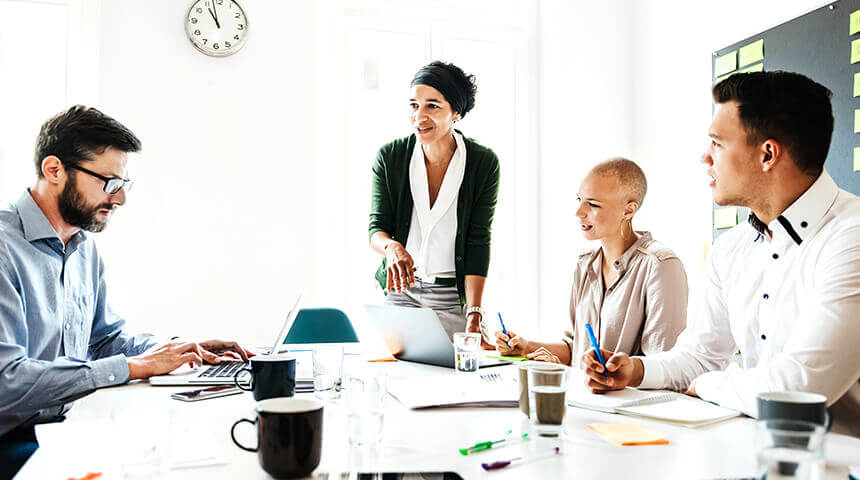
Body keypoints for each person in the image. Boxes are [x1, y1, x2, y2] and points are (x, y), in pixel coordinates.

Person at [580, 71, 860, 436]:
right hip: (760, 451)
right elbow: (700, 355)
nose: (704, 157)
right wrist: (636, 371)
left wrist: (711, 385)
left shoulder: (849, 237)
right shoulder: (731, 248)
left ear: (767, 154)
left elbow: (802, 387)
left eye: (717, 143)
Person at [0, 105, 254, 477]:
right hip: (11, 439)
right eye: (110, 183)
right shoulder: (5, 248)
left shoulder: (81, 247)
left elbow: (103, 340)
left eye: (123, 185)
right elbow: (6, 382)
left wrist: (175, 349)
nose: (119, 199)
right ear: (54, 170)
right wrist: (132, 367)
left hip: (64, 425)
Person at [495, 158, 688, 365]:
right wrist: (526, 347)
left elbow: (664, 366)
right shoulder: (585, 265)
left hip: (629, 397)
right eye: (579, 200)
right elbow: (575, 347)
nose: (579, 213)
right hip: (583, 395)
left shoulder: (661, 265)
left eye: (593, 204)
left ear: (628, 210)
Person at [368, 61, 500, 344]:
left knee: (458, 377)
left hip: (452, 298)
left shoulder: (482, 163)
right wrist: (392, 248)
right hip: (400, 291)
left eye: (432, 106)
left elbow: (478, 240)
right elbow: (377, 227)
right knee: (400, 376)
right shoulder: (390, 157)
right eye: (414, 105)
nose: (419, 116)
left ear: (456, 112)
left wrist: (474, 314)